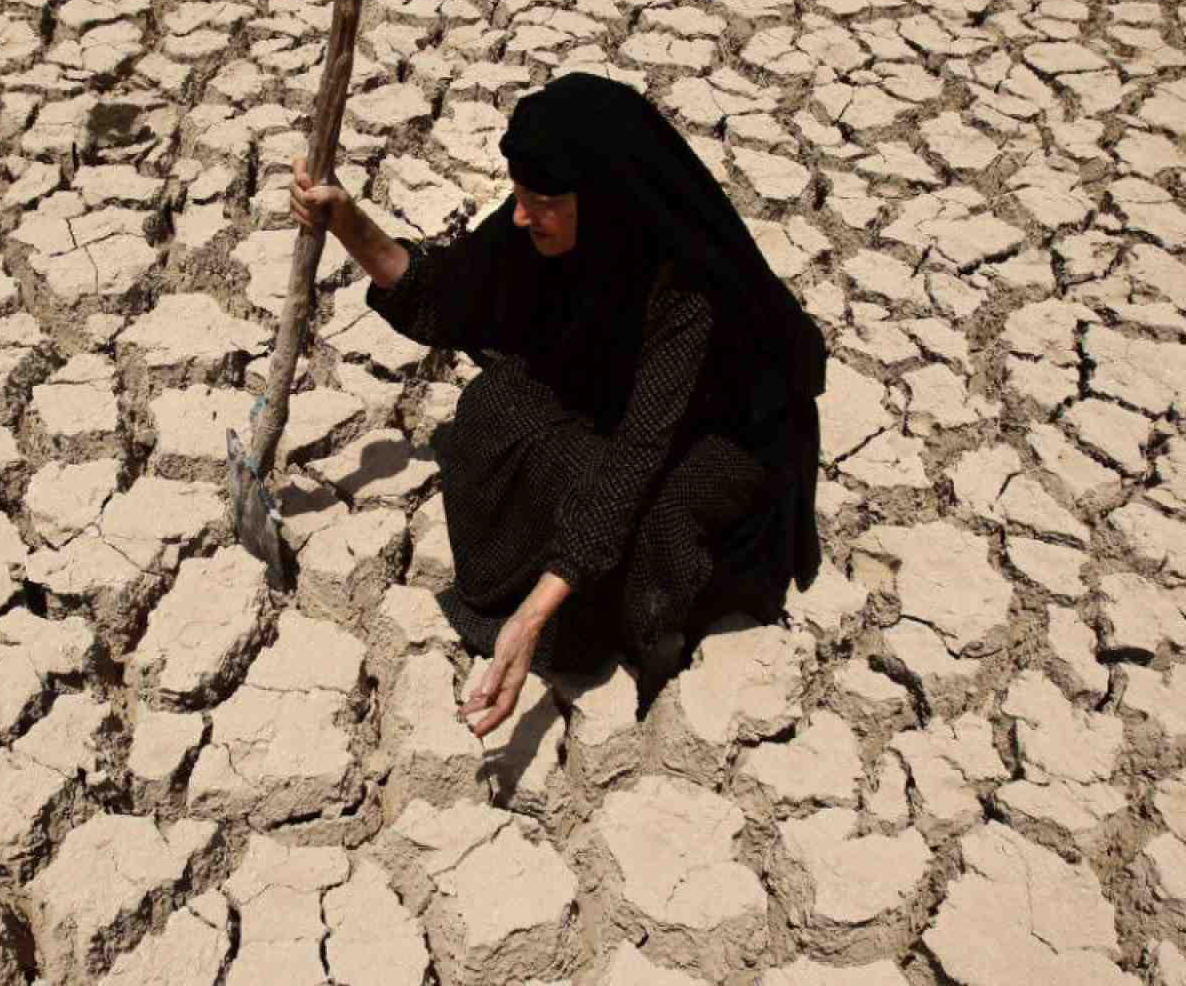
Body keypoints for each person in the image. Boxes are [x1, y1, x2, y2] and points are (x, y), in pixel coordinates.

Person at [289, 71, 828, 738]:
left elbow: (639, 452)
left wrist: (533, 614)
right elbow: (448, 296)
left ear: (601, 200)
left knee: (651, 523)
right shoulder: (539, 222)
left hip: (717, 435)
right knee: (495, 409)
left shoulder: (685, 287)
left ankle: (625, 613)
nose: (520, 215)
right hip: (614, 401)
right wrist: (347, 223)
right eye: (517, 195)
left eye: (541, 201)